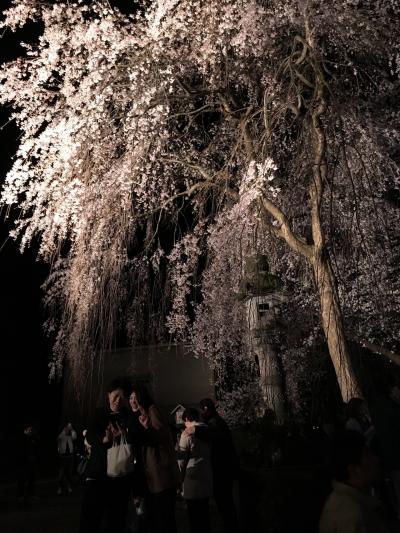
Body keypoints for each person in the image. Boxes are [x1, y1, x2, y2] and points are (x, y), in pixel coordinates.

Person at [78, 377, 133, 533]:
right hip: (97, 474)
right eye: (115, 396)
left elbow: (134, 441)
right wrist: (105, 439)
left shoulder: (128, 417)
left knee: (116, 521)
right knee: (90, 520)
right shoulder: (99, 413)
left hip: (119, 477)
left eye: (122, 397)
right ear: (108, 395)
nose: (118, 401)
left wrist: (126, 435)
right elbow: (89, 436)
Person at [129, 384, 179, 533]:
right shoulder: (139, 415)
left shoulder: (152, 410)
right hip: (150, 476)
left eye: (135, 398)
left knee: (164, 518)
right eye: (130, 398)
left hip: (160, 476)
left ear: (142, 398)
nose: (132, 401)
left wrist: (146, 428)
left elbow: (161, 436)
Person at [319, 430, 388, 533]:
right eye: (368, 455)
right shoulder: (352, 516)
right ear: (354, 470)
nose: (376, 459)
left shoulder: (342, 502)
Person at [197, 398, 239, 533]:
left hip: (222, 469)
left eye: (202, 411)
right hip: (225, 468)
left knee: (224, 502)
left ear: (205, 410)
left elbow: (212, 435)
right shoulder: (217, 421)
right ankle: (231, 526)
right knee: (225, 502)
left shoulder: (215, 423)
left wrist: (195, 430)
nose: (201, 414)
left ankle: (231, 527)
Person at [178, 408, 213, 533]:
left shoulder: (186, 433)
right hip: (206, 474)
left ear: (186, 419)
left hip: (192, 478)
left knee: (194, 516)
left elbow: (182, 461)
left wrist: (179, 479)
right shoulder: (207, 430)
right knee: (205, 513)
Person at [15, 422, 39, 502]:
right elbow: (20, 449)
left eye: (31, 429)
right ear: (25, 429)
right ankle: (20, 495)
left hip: (32, 461)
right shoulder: (22, 438)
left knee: (32, 478)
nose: (30, 430)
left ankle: (30, 494)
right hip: (23, 462)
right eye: (29, 429)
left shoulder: (32, 438)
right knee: (22, 479)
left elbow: (36, 446)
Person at [56, 421, 77, 495]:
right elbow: (58, 438)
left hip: (70, 456)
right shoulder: (62, 433)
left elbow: (75, 438)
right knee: (61, 474)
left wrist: (72, 431)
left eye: (70, 426)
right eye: (68, 426)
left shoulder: (71, 434)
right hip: (63, 457)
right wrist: (64, 431)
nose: (69, 428)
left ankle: (69, 487)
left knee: (69, 473)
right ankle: (59, 487)